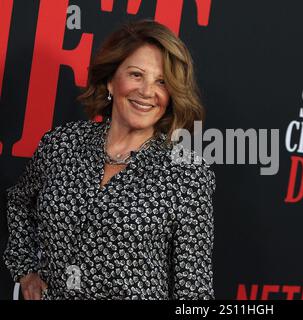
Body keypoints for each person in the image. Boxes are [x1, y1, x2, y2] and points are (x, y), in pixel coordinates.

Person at [3, 19, 215, 300]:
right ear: (110, 81)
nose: (147, 91)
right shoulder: (62, 144)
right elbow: (19, 202)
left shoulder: (187, 173)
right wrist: (25, 269)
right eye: (136, 75)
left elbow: (194, 289)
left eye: (162, 82)